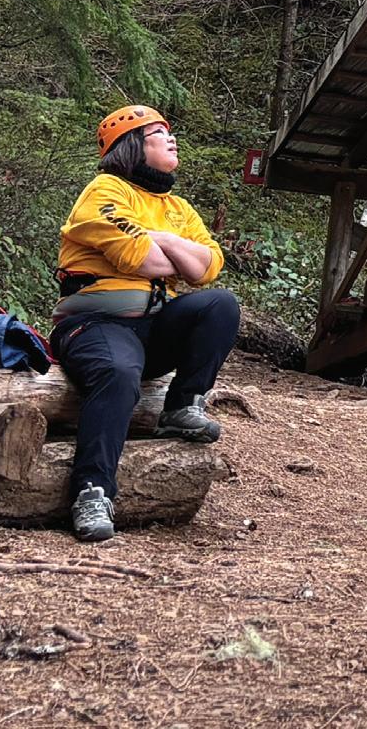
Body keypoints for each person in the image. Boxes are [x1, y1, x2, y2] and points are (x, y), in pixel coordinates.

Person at [52, 105, 238, 543]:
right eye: (158, 133)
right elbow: (144, 259)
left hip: (154, 327)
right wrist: (176, 254)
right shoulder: (105, 191)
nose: (171, 139)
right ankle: (93, 492)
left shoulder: (177, 208)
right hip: (96, 324)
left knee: (220, 304)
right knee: (118, 373)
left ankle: (182, 406)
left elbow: (208, 267)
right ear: (132, 146)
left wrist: (165, 238)